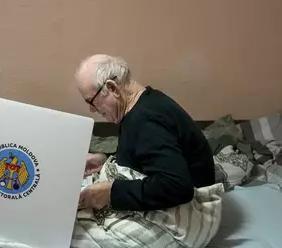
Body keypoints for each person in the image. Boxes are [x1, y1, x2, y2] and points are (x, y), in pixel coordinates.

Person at [75, 54, 215, 212]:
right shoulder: (143, 104)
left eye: (91, 101)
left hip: (192, 206)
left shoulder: (145, 121)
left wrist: (111, 192)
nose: (92, 109)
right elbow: (145, 155)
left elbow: (178, 186)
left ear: (112, 88)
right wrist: (104, 161)